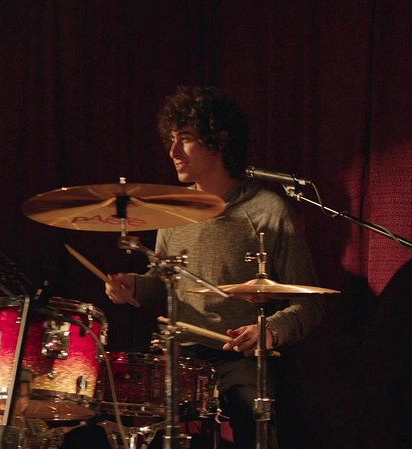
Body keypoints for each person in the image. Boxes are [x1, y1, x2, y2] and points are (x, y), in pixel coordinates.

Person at [105, 85, 324, 448]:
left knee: (257, 415)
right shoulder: (172, 210)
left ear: (219, 141)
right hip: (180, 351)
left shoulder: (267, 210)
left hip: (238, 355)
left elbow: (311, 303)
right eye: (171, 139)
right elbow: (163, 281)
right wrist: (133, 285)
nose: (173, 152)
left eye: (185, 139)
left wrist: (270, 330)